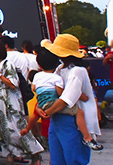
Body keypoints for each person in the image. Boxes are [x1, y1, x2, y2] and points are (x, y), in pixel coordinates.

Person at [19, 48, 101, 149]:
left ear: (39, 65)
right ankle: (87, 137)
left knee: (36, 116)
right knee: (79, 112)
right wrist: (80, 96)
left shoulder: (38, 75)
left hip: (42, 102)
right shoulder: (60, 75)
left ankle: (27, 129)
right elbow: (65, 95)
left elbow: (34, 88)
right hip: (56, 107)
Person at [38, 34, 99, 165]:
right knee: (57, 159)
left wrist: (47, 111)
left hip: (72, 121)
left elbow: (67, 99)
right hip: (59, 117)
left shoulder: (77, 71)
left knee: (74, 159)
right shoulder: (60, 69)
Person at [0, 40, 43, 165]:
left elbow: (13, 84)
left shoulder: (7, 65)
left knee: (17, 128)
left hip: (11, 103)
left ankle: (35, 153)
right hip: (1, 104)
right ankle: (10, 156)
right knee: (3, 131)